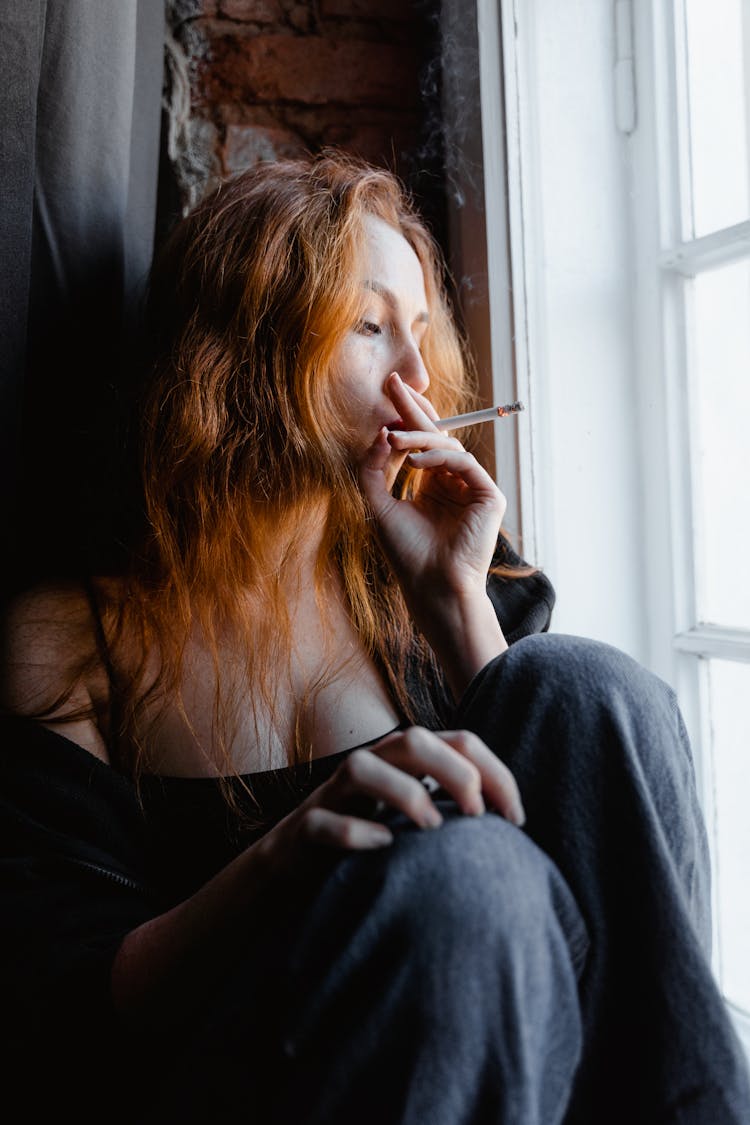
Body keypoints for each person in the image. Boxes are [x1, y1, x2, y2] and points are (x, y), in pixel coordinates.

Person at [1, 151, 748, 1125]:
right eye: (369, 327)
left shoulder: (455, 574)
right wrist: (280, 859)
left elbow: (583, 898)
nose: (416, 378)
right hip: (251, 1082)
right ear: (244, 349)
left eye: (421, 335)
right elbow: (60, 1002)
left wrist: (457, 608)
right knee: (471, 884)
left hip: (520, 1051)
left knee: (578, 683)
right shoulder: (75, 642)